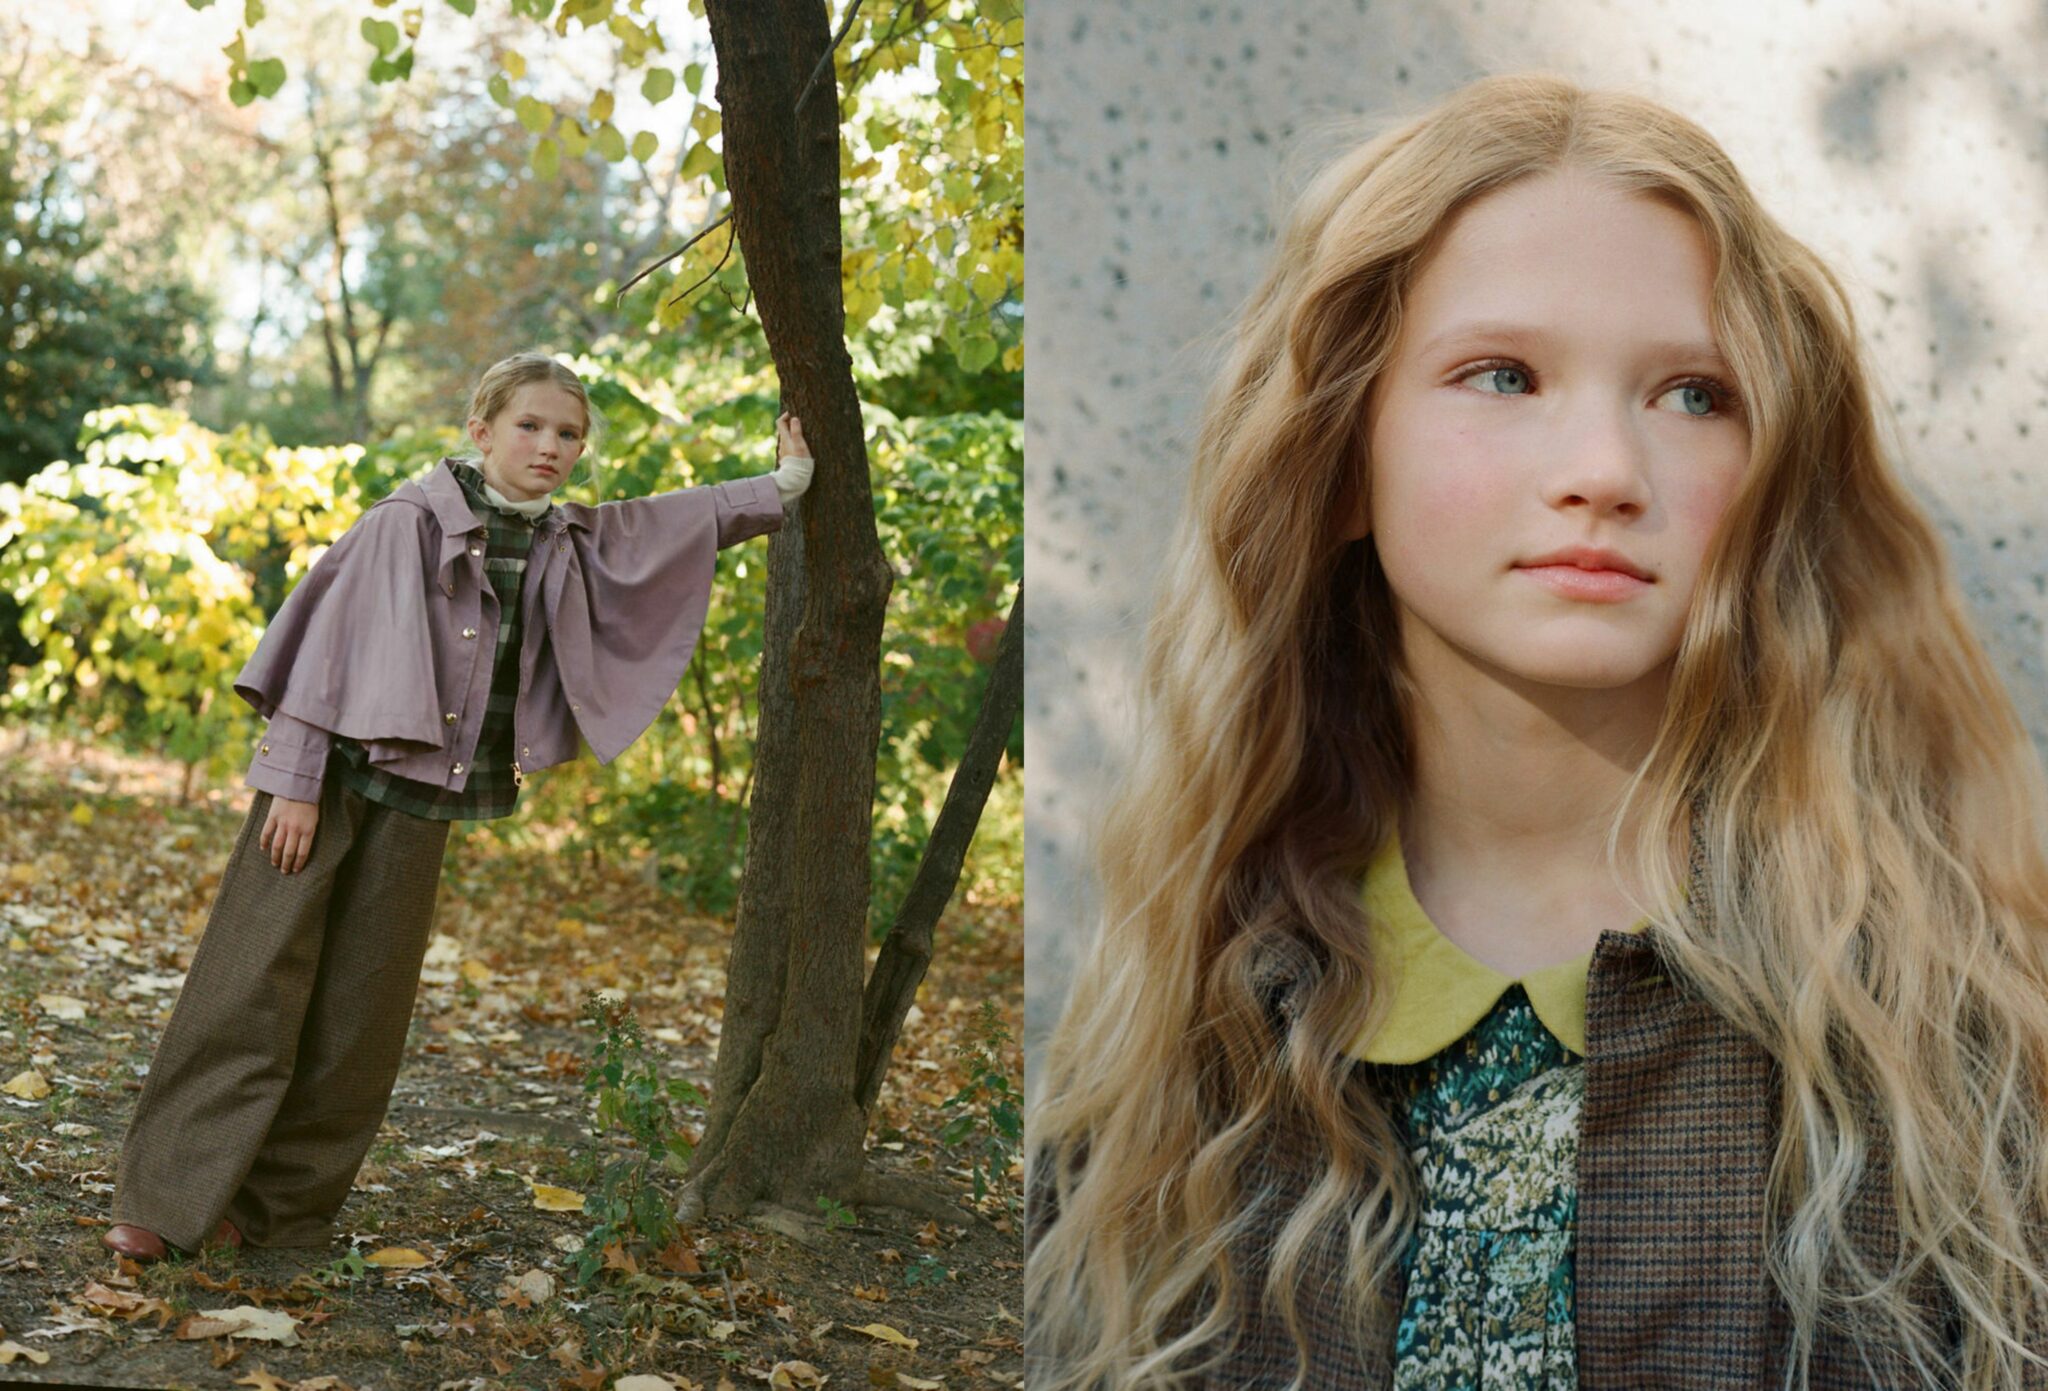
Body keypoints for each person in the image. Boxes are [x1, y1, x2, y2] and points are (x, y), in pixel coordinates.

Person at [1023, 74, 2048, 1390]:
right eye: (1502, 375)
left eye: (1694, 393)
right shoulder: (1186, 1026)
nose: (1605, 471)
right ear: (1344, 451)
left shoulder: (1957, 1032)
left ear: (1774, 469)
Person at [103, 350, 814, 1262]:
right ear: (481, 430)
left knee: (362, 1019)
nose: (550, 446)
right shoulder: (407, 521)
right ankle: (162, 1205)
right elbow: (328, 646)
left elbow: (665, 527)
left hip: (424, 804)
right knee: (249, 988)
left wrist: (783, 485)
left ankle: (274, 1212)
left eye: (569, 435)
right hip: (330, 789)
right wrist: (294, 781)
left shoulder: (564, 536)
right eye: (530, 426)